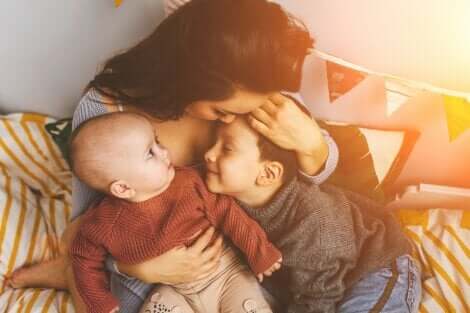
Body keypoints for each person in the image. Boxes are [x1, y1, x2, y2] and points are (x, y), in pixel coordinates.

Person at [7, 0, 339, 312]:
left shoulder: (258, 90)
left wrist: (312, 145)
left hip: (240, 258)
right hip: (153, 268)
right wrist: (134, 266)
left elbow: (311, 184)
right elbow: (87, 226)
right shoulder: (108, 113)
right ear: (190, 78)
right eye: (220, 110)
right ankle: (67, 274)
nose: (230, 120)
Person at [141, 116, 422, 313]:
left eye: (226, 149)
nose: (209, 155)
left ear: (268, 173)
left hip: (375, 268)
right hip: (299, 276)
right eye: (214, 143)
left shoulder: (313, 223)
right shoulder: (218, 188)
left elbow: (317, 300)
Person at [69, 112, 282, 313]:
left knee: (246, 305)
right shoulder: (104, 222)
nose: (164, 151)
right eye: (150, 153)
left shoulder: (189, 181)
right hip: (175, 289)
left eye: (157, 141)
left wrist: (259, 251)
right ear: (123, 188)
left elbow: (227, 211)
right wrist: (99, 301)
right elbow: (82, 257)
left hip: (226, 274)